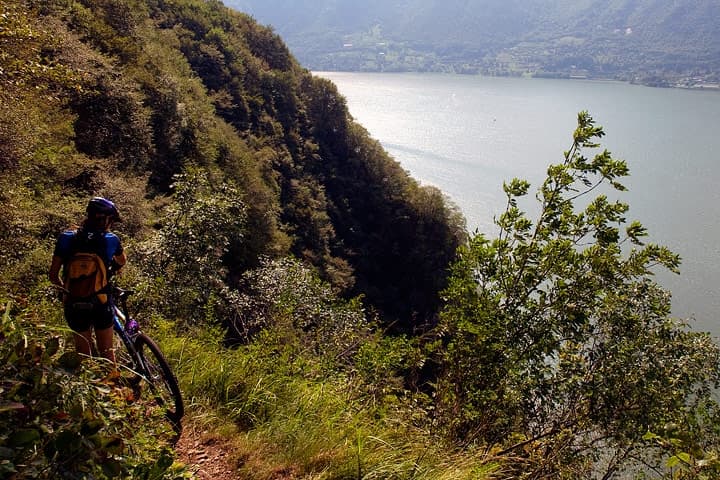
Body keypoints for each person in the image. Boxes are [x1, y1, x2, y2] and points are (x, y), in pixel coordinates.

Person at [49, 197, 126, 363]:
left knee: (83, 355)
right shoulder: (111, 239)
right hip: (101, 299)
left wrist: (67, 292)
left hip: (73, 302)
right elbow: (122, 261)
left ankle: (89, 386)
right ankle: (114, 387)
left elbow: (53, 275)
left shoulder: (66, 238)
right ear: (105, 219)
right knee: (107, 354)